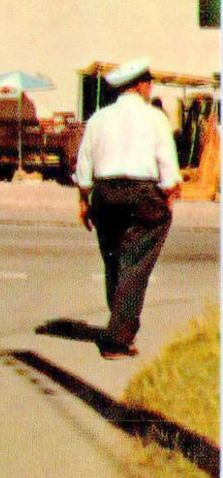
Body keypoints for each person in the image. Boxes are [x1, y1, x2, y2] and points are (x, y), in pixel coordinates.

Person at [74, 58, 182, 359]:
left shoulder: (98, 118)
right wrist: (169, 193)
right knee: (136, 265)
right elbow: (167, 164)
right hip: (142, 192)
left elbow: (84, 163)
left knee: (113, 260)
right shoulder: (155, 118)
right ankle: (117, 340)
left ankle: (120, 325)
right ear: (139, 85)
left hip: (105, 194)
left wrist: (83, 200)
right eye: (149, 84)